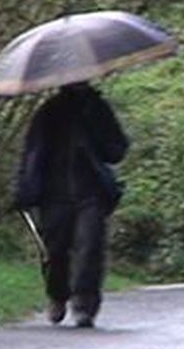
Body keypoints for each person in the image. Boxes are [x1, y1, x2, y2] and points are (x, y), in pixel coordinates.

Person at [14, 82, 129, 329]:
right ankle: (57, 294)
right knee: (54, 251)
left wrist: (95, 126)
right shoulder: (49, 111)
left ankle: (84, 305)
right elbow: (32, 154)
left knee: (90, 248)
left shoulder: (97, 109)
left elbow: (117, 150)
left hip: (91, 193)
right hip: (53, 195)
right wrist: (25, 188)